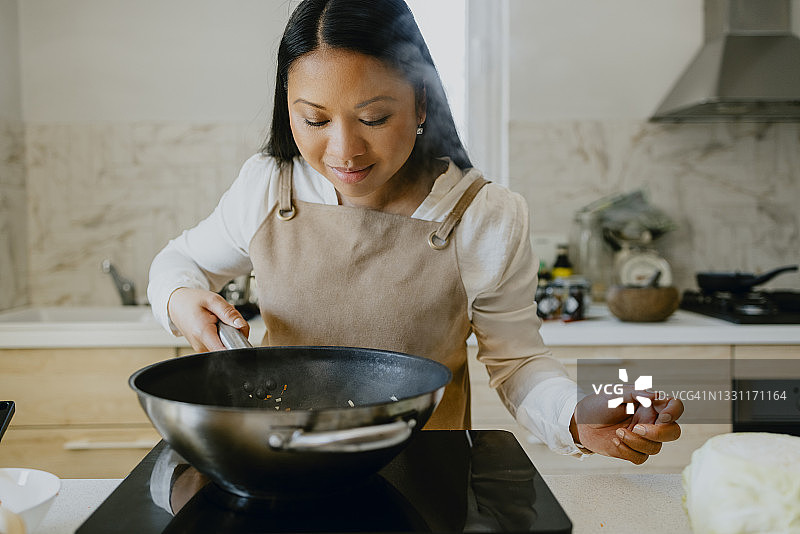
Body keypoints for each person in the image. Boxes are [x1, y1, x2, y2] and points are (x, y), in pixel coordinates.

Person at [148, 0, 683, 463]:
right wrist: (179, 298)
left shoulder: (485, 215)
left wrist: (574, 416)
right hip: (285, 466)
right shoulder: (268, 187)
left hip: (427, 475)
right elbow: (179, 262)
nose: (343, 152)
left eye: (374, 118)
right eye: (314, 120)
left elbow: (517, 361)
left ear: (422, 103)